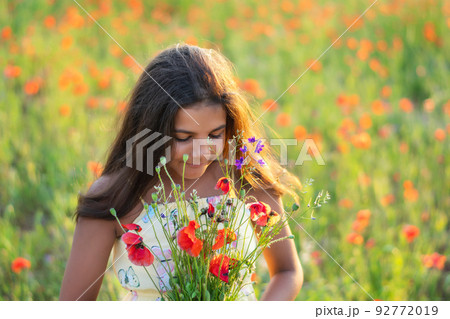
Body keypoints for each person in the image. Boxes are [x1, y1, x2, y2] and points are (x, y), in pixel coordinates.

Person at [59, 43, 304, 301]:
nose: (201, 151)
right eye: (184, 137)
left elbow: (287, 271)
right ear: (150, 131)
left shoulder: (244, 177)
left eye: (214, 135)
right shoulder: (116, 195)